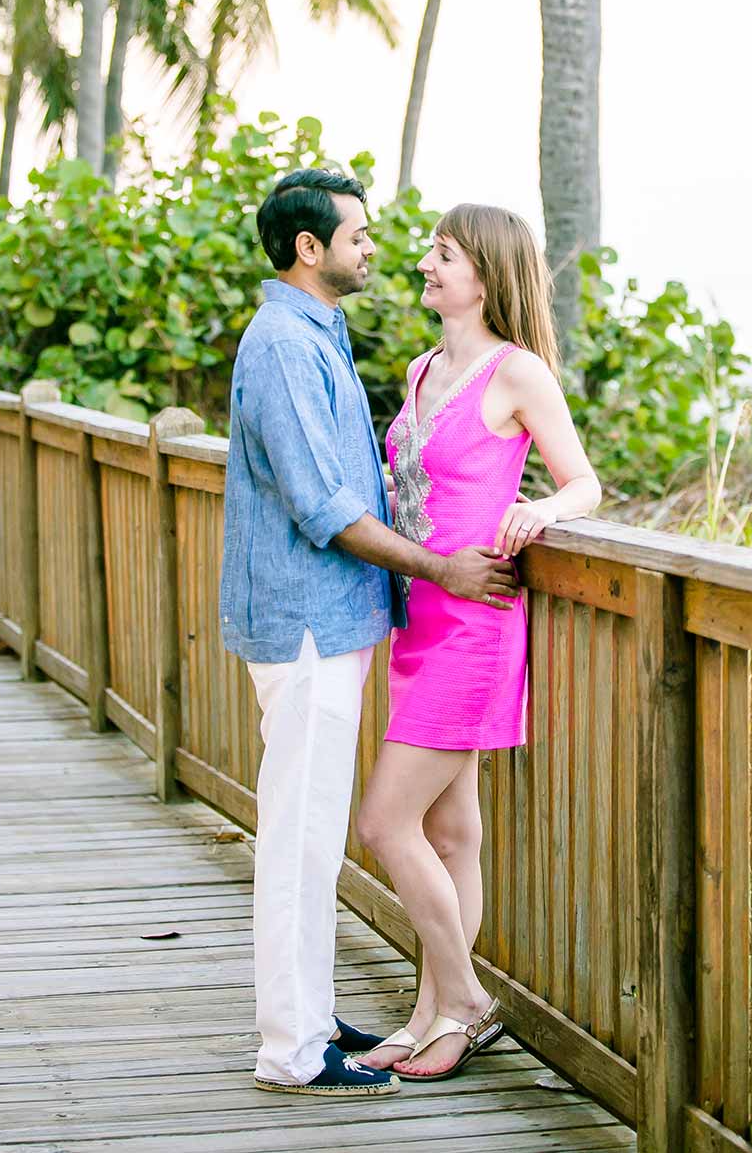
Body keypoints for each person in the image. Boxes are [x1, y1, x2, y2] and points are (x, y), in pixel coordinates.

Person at [220, 170, 520, 1098]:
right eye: (357, 234)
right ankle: (294, 1049)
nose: (372, 248)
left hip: (338, 619)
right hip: (311, 621)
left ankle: (310, 1018)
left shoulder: (317, 334)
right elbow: (324, 505)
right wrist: (439, 568)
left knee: (316, 832)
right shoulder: (281, 343)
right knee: (303, 837)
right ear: (310, 248)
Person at [354, 203, 602, 1082]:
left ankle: (464, 996)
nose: (425, 263)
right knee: (452, 832)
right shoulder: (423, 367)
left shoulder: (518, 371)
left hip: (476, 625)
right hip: (419, 618)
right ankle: (430, 1019)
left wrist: (540, 507)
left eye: (443, 253)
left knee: (384, 821)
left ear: (487, 275)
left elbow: (585, 482)